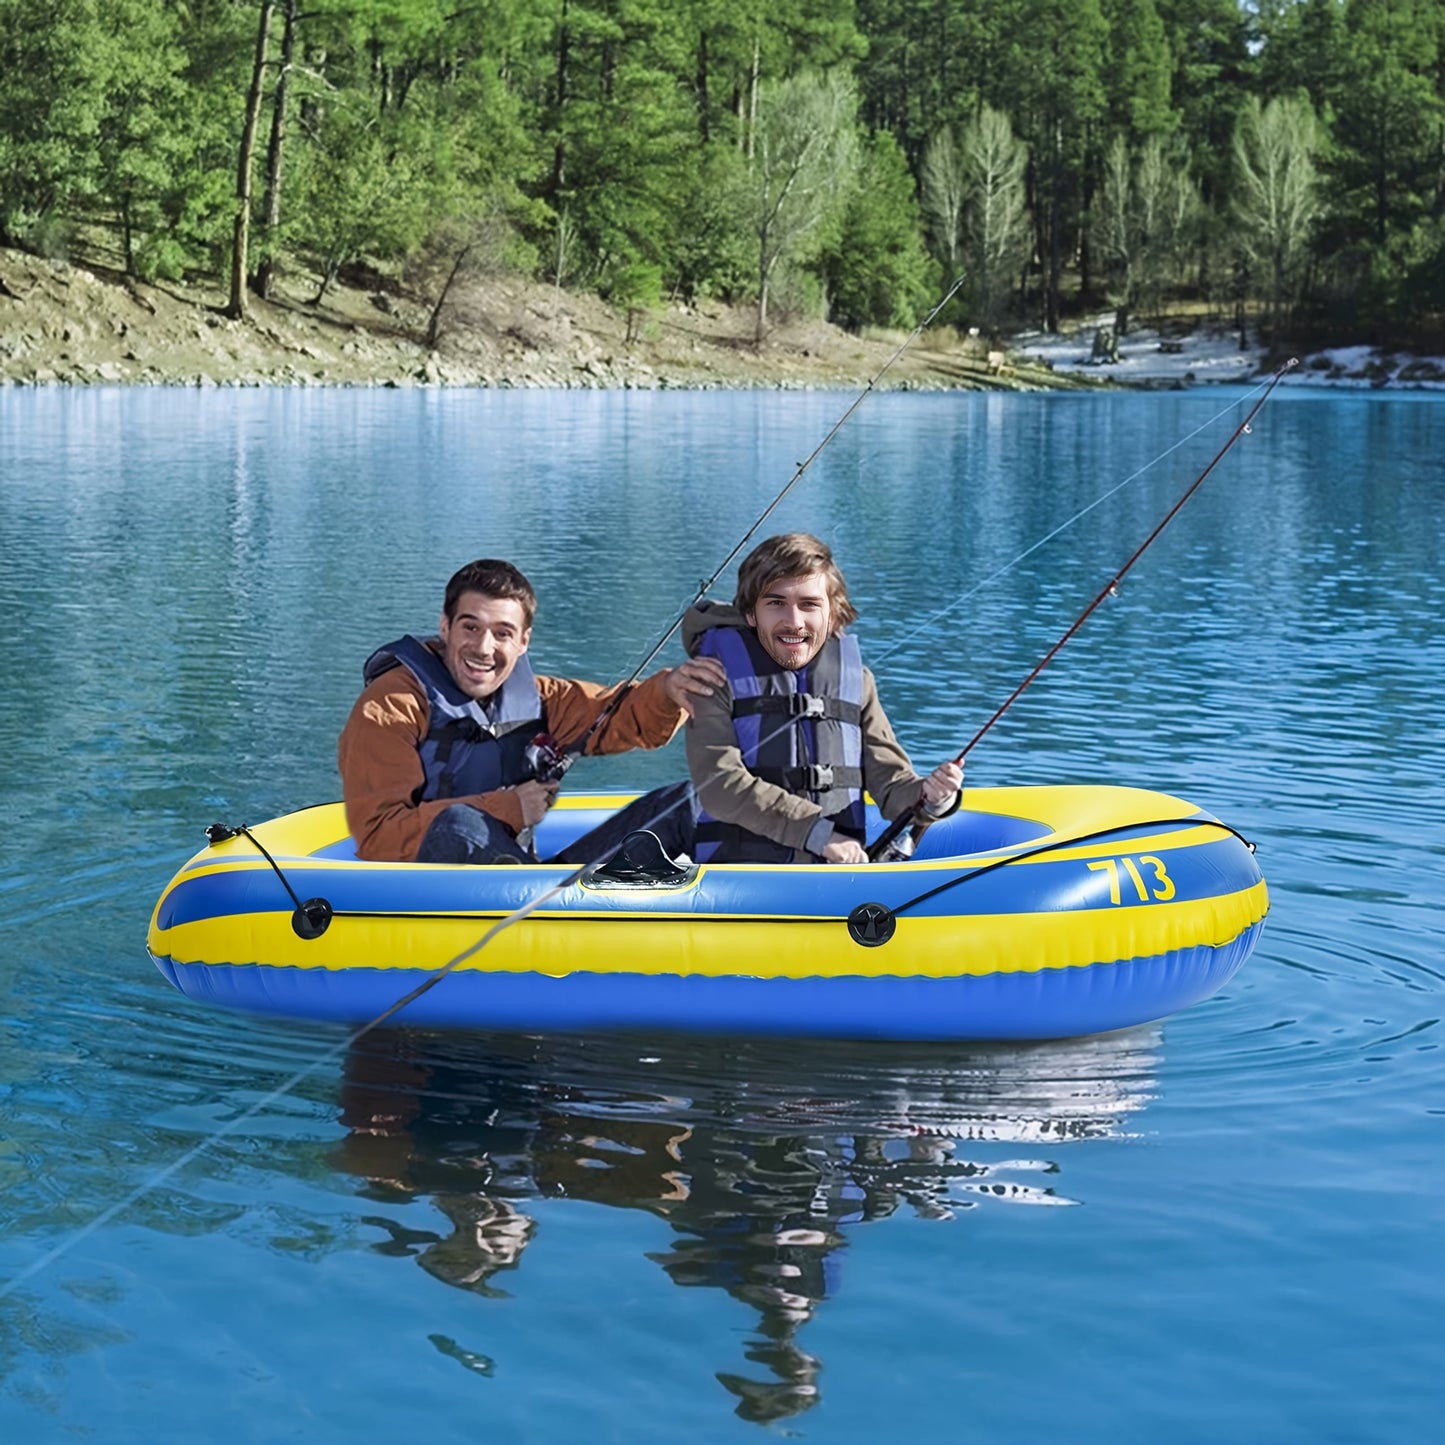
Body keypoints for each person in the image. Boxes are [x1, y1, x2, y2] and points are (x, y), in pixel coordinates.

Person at [338, 558, 724, 866]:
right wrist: (510, 808)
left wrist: (670, 691)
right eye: (470, 628)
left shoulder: (539, 697)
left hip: (534, 886)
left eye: (503, 633)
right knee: (457, 824)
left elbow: (617, 716)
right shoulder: (390, 707)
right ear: (445, 627)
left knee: (692, 800)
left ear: (523, 642)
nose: (484, 648)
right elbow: (379, 836)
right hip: (436, 900)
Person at [679, 533, 961, 864]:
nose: (794, 622)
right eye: (776, 603)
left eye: (809, 605)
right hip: (742, 879)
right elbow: (719, 785)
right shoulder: (714, 677)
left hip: (835, 876)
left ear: (833, 614)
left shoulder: (858, 682)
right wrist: (817, 833)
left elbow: (892, 785)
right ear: (751, 614)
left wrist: (931, 797)